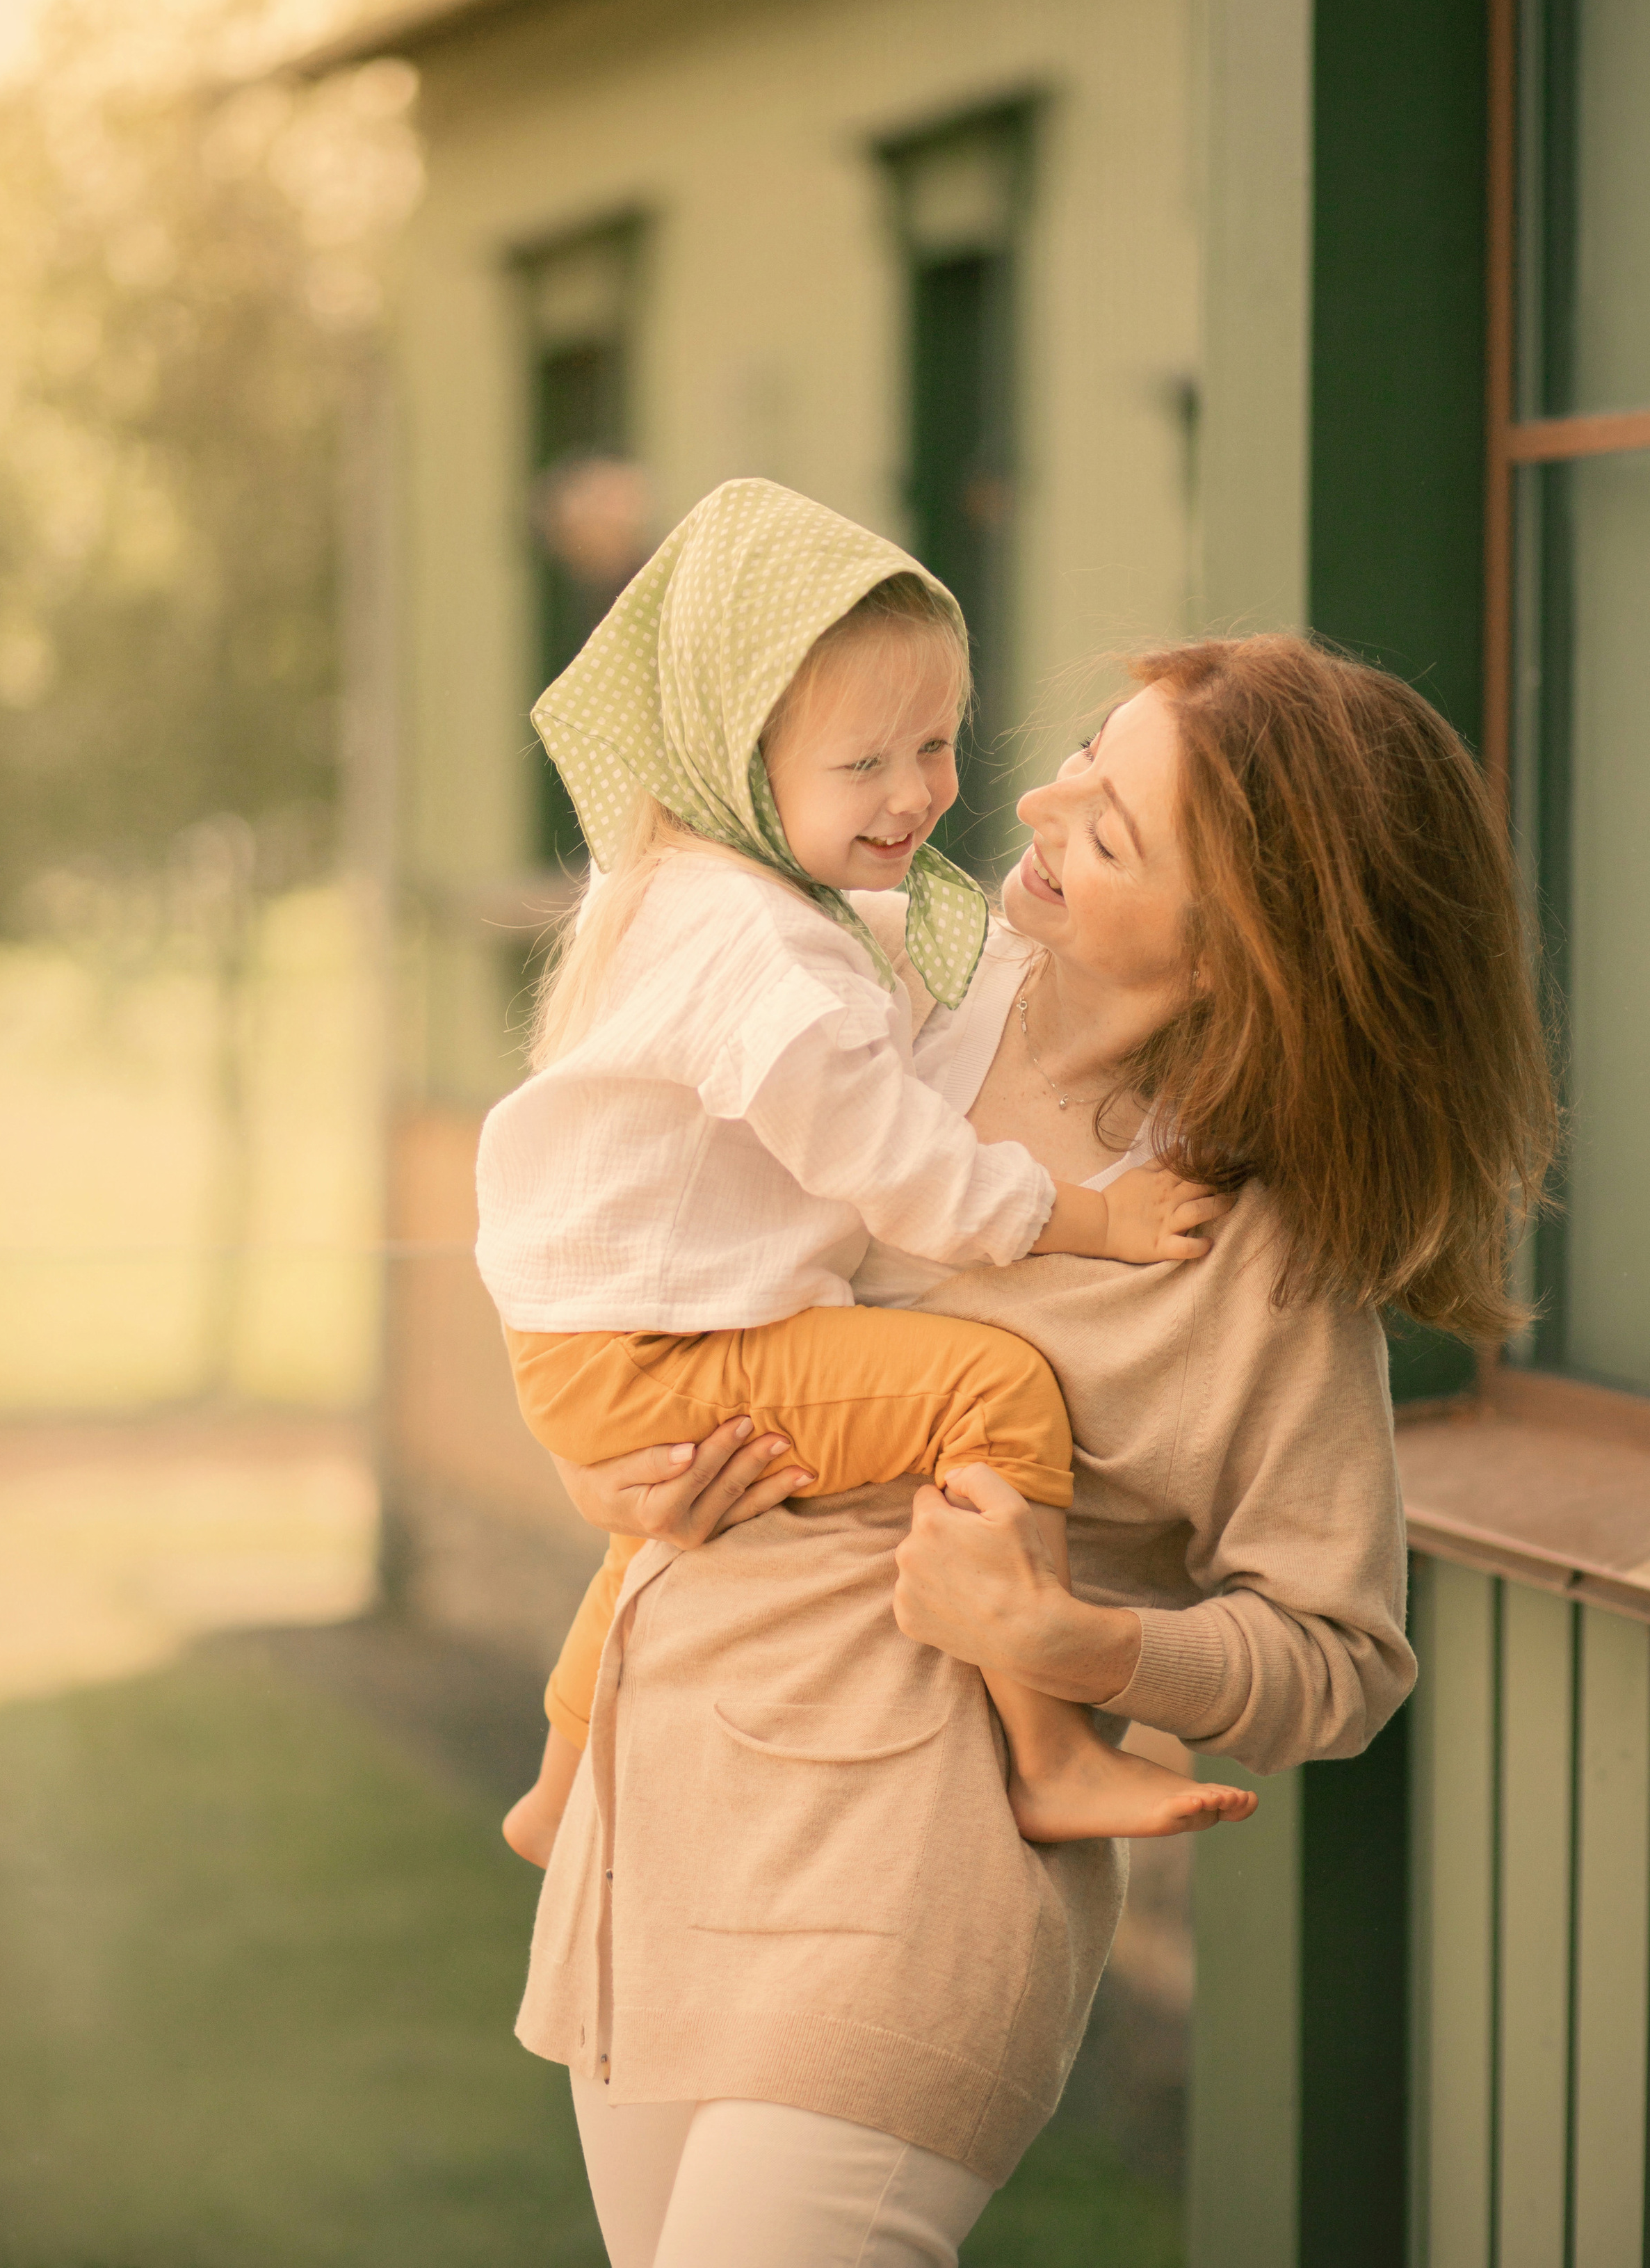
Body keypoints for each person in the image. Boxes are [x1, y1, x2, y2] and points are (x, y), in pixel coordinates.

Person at [517, 634, 1556, 2268]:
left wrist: (1073, 1642)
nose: (1024, 800)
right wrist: (611, 1474)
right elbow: (623, 1273)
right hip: (660, 1815)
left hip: (911, 1885)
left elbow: (1337, 1656)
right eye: (1083, 750)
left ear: (1236, 951)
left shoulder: (1249, 1259)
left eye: (1109, 827)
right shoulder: (872, 988)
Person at [478, 476, 1249, 1866]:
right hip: (645, 1350)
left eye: (936, 743)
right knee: (988, 1386)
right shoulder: (770, 962)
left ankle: (556, 1784)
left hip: (593, 1342)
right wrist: (1093, 1217)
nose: (917, 796)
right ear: (743, 758)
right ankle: (1051, 1749)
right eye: (862, 766)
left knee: (642, 1539)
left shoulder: (708, 891)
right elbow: (909, 1175)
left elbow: (893, 953)